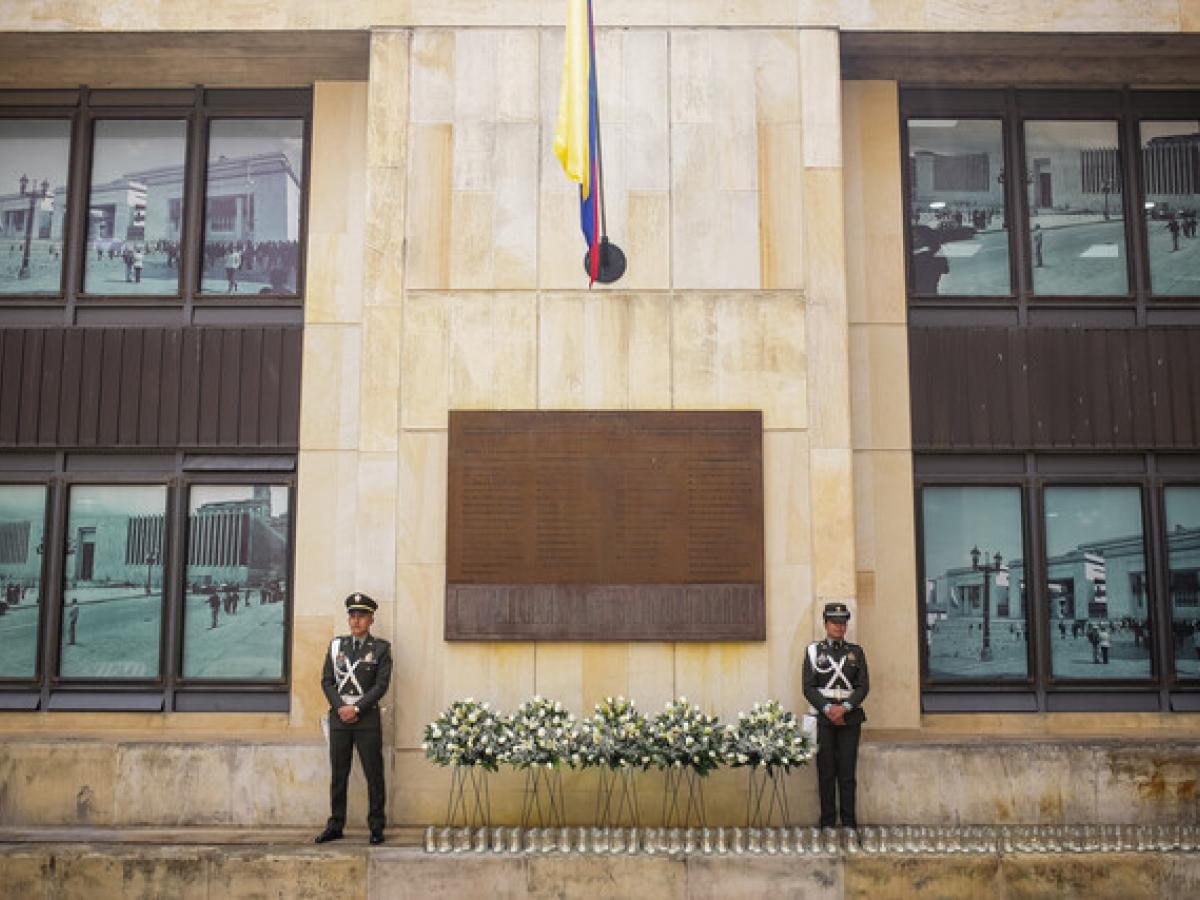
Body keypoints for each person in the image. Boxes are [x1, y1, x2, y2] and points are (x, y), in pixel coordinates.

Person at [316, 592, 393, 846]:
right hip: (339, 718)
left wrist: (356, 708)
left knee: (374, 773)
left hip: (366, 718)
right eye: (353, 615)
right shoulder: (336, 646)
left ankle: (376, 825)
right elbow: (327, 681)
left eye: (362, 615)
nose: (356, 620)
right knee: (339, 774)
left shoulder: (381, 648)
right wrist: (340, 707)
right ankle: (336, 824)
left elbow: (381, 686)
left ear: (371, 619)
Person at [802, 602, 870, 830]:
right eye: (835, 623)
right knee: (826, 772)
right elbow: (808, 687)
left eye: (843, 623)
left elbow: (863, 686)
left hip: (849, 718)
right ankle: (828, 824)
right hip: (824, 719)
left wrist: (846, 707)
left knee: (847, 773)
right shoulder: (814, 652)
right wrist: (829, 709)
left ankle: (850, 824)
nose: (840, 627)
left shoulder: (856, 652)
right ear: (825, 624)